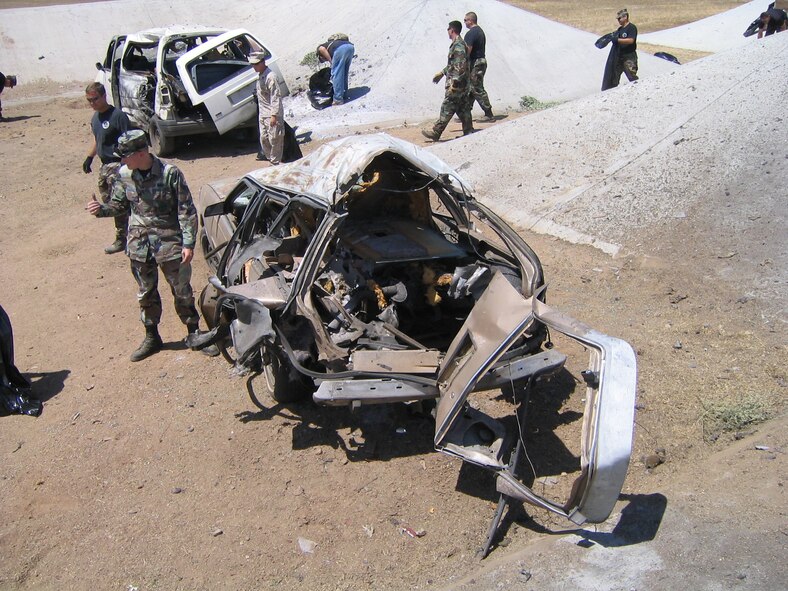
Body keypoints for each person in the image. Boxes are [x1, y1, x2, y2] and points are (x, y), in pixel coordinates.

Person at [86, 130, 217, 362]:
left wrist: (188, 243)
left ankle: (194, 332)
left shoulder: (169, 174)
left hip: (169, 242)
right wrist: (101, 210)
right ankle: (151, 336)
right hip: (139, 244)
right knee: (146, 292)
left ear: (140, 153)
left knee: (181, 289)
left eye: (125, 155)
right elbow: (119, 206)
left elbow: (186, 211)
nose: (121, 160)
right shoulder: (124, 174)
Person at [83, 82, 132, 254]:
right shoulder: (95, 118)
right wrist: (90, 157)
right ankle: (124, 237)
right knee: (110, 204)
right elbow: (98, 139)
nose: (92, 103)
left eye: (95, 99)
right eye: (89, 100)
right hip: (105, 168)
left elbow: (130, 141)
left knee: (120, 205)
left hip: (118, 166)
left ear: (104, 96)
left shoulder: (118, 116)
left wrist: (126, 168)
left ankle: (125, 239)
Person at [422, 21, 474, 142]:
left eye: (448, 29)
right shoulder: (458, 44)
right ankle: (469, 131)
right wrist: (442, 73)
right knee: (463, 108)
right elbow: (454, 64)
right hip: (461, 85)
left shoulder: (459, 46)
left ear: (452, 30)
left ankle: (436, 132)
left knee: (447, 106)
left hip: (457, 85)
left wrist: (454, 83)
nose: (447, 31)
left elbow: (461, 66)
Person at [249, 51, 284, 165]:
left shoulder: (271, 76)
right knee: (264, 139)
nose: (254, 67)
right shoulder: (261, 77)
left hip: (271, 114)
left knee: (275, 139)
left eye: (256, 64)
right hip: (263, 114)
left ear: (262, 62)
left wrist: (274, 115)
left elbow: (276, 96)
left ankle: (275, 162)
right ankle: (271, 159)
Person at [463, 12, 494, 121]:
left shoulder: (471, 33)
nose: (465, 22)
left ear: (471, 20)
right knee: (471, 88)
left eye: (465, 20)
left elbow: (468, 50)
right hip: (480, 62)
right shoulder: (480, 31)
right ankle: (465, 114)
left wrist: (463, 63)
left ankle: (489, 114)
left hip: (476, 63)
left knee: (476, 87)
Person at [601, 9, 638, 91]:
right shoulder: (620, 29)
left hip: (629, 57)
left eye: (619, 18)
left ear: (625, 17)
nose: (618, 21)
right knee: (614, 77)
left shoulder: (631, 28)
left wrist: (618, 40)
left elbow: (631, 40)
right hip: (619, 57)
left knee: (632, 75)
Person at [316, 34, 355, 105]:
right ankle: (344, 95)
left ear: (320, 56)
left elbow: (322, 49)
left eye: (322, 60)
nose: (324, 60)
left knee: (336, 74)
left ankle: (338, 99)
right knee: (343, 73)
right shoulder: (334, 44)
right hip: (350, 47)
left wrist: (331, 61)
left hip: (340, 49)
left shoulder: (320, 48)